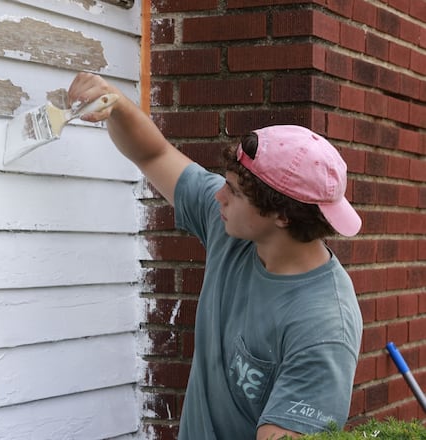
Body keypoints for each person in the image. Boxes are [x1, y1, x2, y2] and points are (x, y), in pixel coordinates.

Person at [68, 72, 363, 439]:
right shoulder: (236, 233)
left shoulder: (323, 326)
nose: (219, 197)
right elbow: (154, 153)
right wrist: (114, 104)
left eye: (235, 192)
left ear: (282, 215)